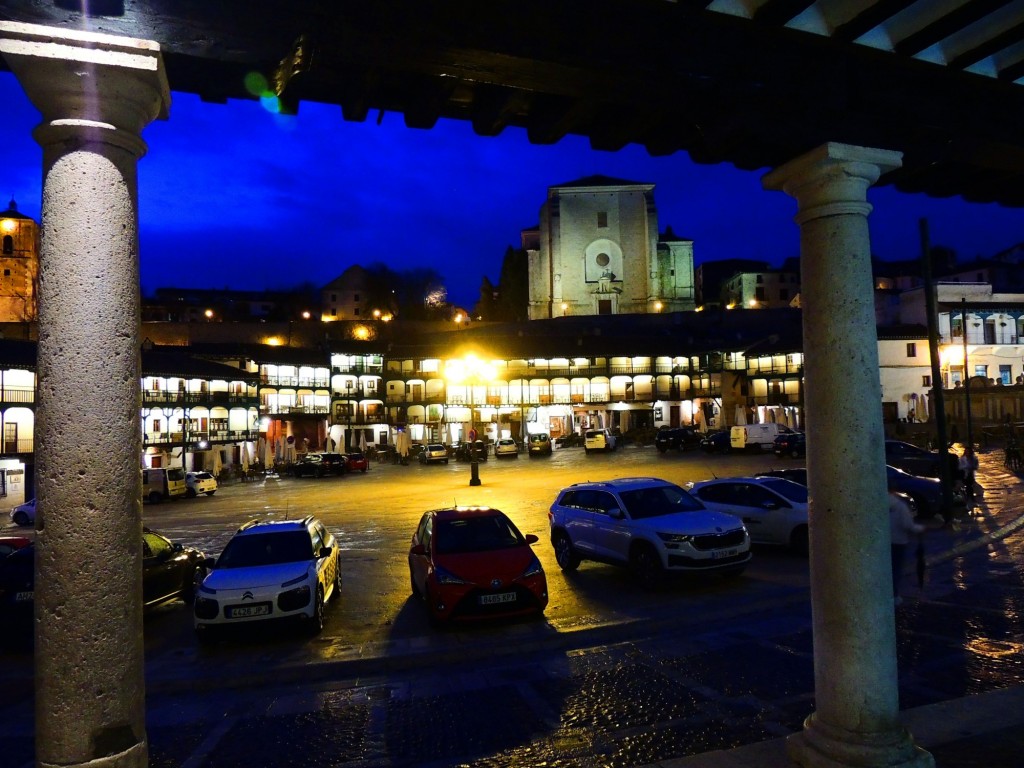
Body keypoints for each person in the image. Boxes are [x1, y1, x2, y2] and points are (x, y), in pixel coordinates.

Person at [889, 484, 925, 606]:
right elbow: (907, 525)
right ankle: (893, 595)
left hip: (884, 542)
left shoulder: (877, 504)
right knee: (895, 569)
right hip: (898, 542)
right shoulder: (899, 506)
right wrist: (920, 529)